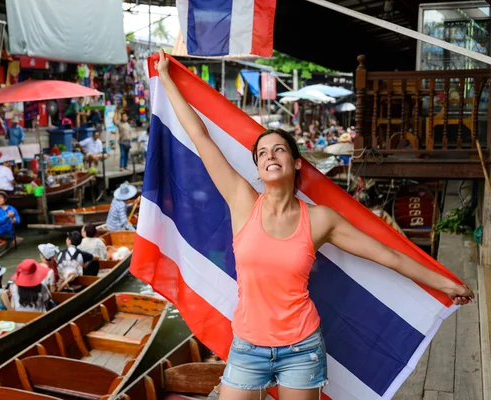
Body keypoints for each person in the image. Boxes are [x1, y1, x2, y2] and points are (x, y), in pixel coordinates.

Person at [154, 49, 474, 400]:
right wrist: (168, 80)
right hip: (247, 345)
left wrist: (446, 283)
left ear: (295, 163)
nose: (269, 156)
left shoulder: (320, 219)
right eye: (261, 153)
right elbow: (201, 137)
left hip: (301, 349)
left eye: (278, 150)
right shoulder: (242, 201)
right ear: (258, 169)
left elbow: (388, 256)